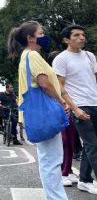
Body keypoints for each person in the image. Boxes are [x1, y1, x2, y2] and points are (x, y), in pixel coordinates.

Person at [8, 20, 68, 199]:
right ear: (30, 38)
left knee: (48, 160)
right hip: (46, 111)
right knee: (52, 160)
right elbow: (45, 84)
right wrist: (61, 102)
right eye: (40, 33)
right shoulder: (32, 56)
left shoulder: (25, 56)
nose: (44, 36)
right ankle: (57, 198)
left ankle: (55, 196)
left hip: (37, 113)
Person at [52, 25, 97, 194]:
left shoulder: (90, 56)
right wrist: (75, 108)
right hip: (80, 105)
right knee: (92, 144)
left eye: (83, 35)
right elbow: (60, 87)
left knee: (91, 146)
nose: (82, 38)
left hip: (95, 103)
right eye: (77, 35)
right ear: (66, 40)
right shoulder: (61, 59)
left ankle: (84, 180)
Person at [47, 50, 79, 187]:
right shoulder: (49, 77)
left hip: (70, 110)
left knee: (71, 141)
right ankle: (63, 172)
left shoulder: (67, 77)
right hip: (56, 111)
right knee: (64, 141)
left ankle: (69, 169)